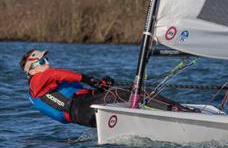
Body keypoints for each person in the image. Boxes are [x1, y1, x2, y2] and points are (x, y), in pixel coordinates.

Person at [21, 49, 184, 128]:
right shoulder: (36, 82)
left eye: (47, 59)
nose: (47, 63)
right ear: (32, 69)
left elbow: (78, 93)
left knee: (131, 92)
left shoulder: (48, 84)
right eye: (42, 62)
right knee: (137, 93)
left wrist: (101, 88)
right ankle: (179, 112)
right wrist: (88, 79)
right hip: (82, 110)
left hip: (86, 108)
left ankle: (172, 113)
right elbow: (58, 74)